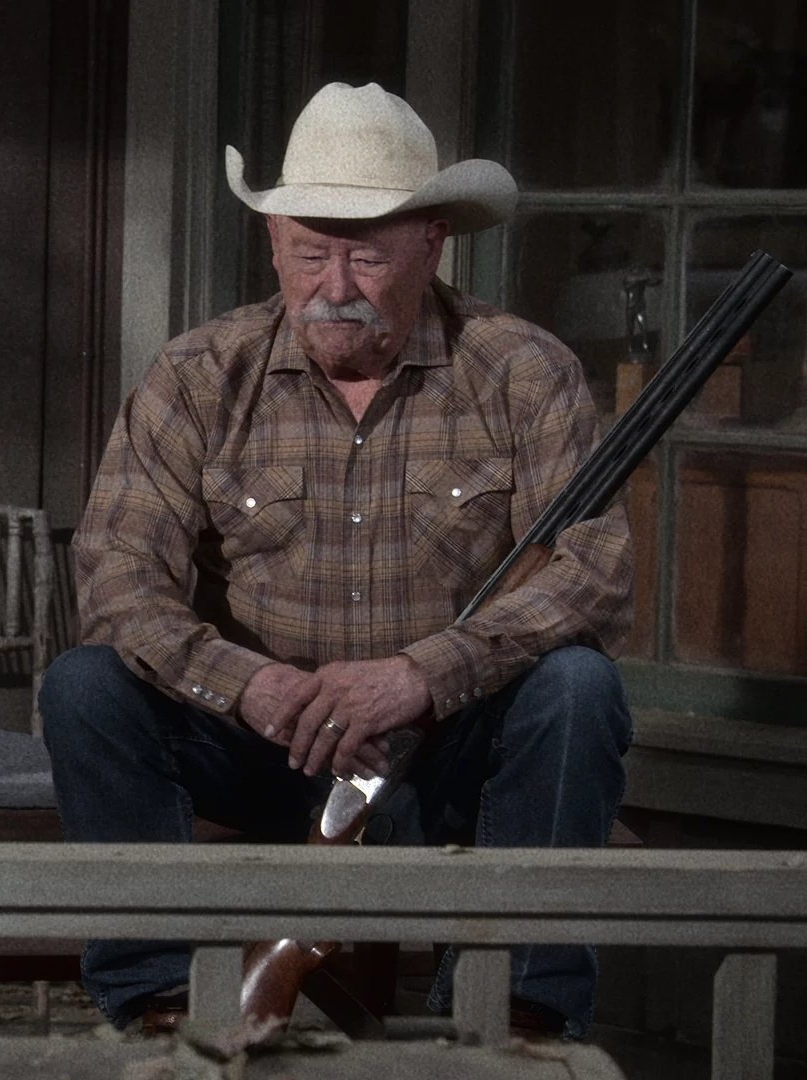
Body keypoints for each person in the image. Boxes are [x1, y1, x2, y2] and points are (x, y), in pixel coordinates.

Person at [41, 82, 633, 1040]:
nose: (335, 285)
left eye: (367, 255)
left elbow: (593, 575)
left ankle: (517, 1014)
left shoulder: (525, 371)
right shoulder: (198, 375)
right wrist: (255, 688)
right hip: (260, 751)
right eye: (312, 253)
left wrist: (420, 677)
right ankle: (154, 1001)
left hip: (449, 751)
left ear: (433, 244)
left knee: (578, 688)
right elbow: (118, 578)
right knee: (86, 686)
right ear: (274, 243)